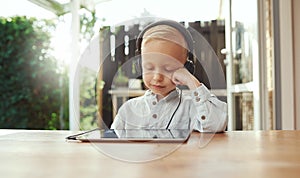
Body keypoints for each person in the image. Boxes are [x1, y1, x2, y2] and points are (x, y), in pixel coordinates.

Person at [111, 20, 227, 132]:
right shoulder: (129, 110)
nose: (157, 77)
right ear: (139, 66)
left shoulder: (192, 107)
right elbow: (112, 143)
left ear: (186, 68)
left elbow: (216, 125)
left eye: (168, 69)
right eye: (149, 68)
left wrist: (191, 81)